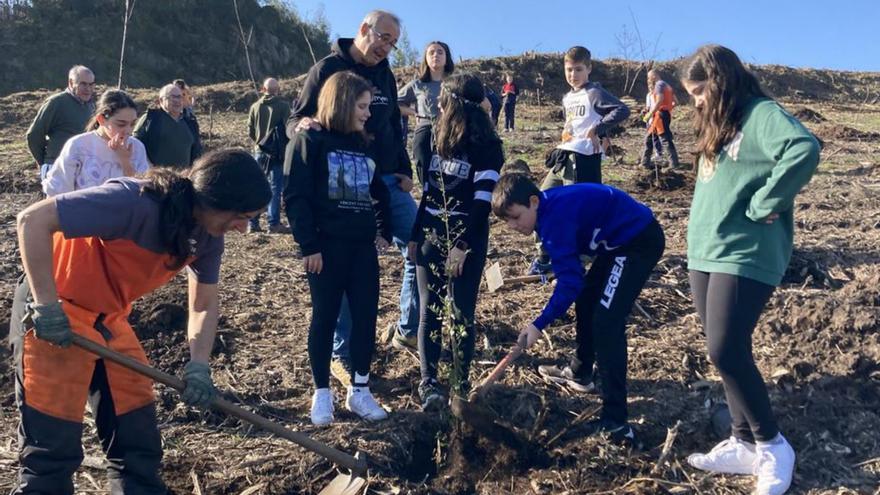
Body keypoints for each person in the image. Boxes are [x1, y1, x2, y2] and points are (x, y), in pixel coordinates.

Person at [9, 149, 271, 493]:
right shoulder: (133, 202)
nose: (244, 228)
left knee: (136, 429)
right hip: (56, 308)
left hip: (108, 317)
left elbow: (204, 304)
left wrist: (199, 366)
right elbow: (32, 220)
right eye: (242, 216)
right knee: (52, 446)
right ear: (216, 199)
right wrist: (46, 304)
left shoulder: (208, 237)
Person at [680, 45, 820, 495]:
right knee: (724, 349)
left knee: (725, 349)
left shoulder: (761, 114)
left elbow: (803, 149)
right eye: (691, 95)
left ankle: (773, 445)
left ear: (721, 82)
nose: (696, 101)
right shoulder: (718, 124)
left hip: (745, 252)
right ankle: (741, 441)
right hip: (705, 252)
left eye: (700, 91)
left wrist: (764, 204)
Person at [288, 9, 419, 383]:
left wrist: (405, 167)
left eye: (393, 43)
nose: (387, 48)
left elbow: (394, 122)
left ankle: (407, 328)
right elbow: (294, 120)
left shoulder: (386, 74)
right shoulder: (326, 69)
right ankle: (342, 355)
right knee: (343, 266)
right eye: (383, 38)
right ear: (364, 29)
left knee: (420, 245)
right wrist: (302, 126)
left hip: (386, 182)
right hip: (343, 185)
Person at [492, 173, 665, 447]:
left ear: (534, 201)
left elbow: (569, 283)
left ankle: (617, 423)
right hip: (615, 244)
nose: (513, 226)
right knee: (587, 301)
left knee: (607, 323)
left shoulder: (554, 221)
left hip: (637, 242)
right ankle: (581, 371)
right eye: (507, 221)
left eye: (516, 217)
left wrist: (539, 324)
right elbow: (573, 279)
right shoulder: (547, 213)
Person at [285, 72, 392, 425]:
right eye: (361, 106)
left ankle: (359, 391)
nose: (366, 113)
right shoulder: (310, 141)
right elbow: (296, 196)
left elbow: (379, 191)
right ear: (343, 103)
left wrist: (384, 229)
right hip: (326, 249)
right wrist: (308, 245)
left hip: (362, 248)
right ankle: (321, 394)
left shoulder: (364, 144)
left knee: (365, 317)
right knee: (325, 317)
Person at [407, 73, 503, 410]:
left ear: (455, 104)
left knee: (461, 313)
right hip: (431, 235)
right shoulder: (434, 138)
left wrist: (462, 246)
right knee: (428, 311)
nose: (437, 104)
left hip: (466, 240)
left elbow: (481, 204)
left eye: (442, 99)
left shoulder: (488, 147)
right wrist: (416, 234)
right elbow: (429, 191)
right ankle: (429, 382)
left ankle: (460, 383)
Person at [530, 45, 630, 275]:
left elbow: (621, 110)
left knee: (573, 210)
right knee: (541, 199)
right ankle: (544, 255)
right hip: (564, 155)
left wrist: (599, 129)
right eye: (569, 70)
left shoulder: (593, 92)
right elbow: (573, 125)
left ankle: (576, 260)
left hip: (582, 158)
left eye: (578, 69)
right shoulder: (567, 97)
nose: (573, 75)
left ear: (589, 69)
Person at [42, 89, 149, 196]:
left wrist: (125, 161)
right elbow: (58, 191)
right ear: (101, 119)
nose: (128, 131)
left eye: (132, 124)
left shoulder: (137, 147)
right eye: (121, 124)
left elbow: (144, 193)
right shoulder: (78, 145)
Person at [398, 41, 455, 185]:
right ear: (425, 58)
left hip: (451, 131)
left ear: (447, 57)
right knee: (424, 167)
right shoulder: (417, 84)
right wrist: (413, 111)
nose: (436, 55)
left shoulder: (455, 83)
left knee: (450, 173)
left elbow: (483, 103)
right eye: (431, 52)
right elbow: (394, 103)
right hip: (425, 130)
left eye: (440, 52)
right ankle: (426, 195)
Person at [26, 65, 96, 181]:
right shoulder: (56, 103)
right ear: (71, 82)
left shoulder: (90, 105)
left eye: (91, 84)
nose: (88, 89)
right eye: (83, 84)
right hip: (57, 168)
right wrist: (44, 161)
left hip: (82, 170)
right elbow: (34, 135)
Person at [247, 77, 291, 233]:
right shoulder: (284, 106)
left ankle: (253, 223)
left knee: (257, 187)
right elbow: (289, 129)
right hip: (276, 154)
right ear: (278, 90)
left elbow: (250, 131)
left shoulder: (255, 107)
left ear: (263, 89)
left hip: (259, 151)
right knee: (275, 188)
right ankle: (273, 224)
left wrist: (260, 142)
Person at [134, 83, 200, 168]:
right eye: (172, 97)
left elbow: (196, 151)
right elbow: (136, 142)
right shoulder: (152, 118)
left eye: (179, 97)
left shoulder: (190, 122)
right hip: (156, 177)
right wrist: (148, 165)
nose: (177, 100)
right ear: (161, 100)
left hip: (183, 178)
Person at [640, 69, 680, 169]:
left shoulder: (659, 85)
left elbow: (659, 101)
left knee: (665, 139)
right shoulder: (668, 86)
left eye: (649, 77)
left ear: (654, 76)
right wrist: (668, 108)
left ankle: (674, 164)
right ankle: (645, 163)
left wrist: (650, 113)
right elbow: (676, 102)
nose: (649, 79)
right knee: (649, 138)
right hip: (664, 114)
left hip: (659, 115)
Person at [173, 78, 204, 160]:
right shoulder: (175, 92)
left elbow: (193, 96)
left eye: (176, 84)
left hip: (186, 109)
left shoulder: (185, 91)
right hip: (180, 109)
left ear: (180, 85)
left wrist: (191, 105)